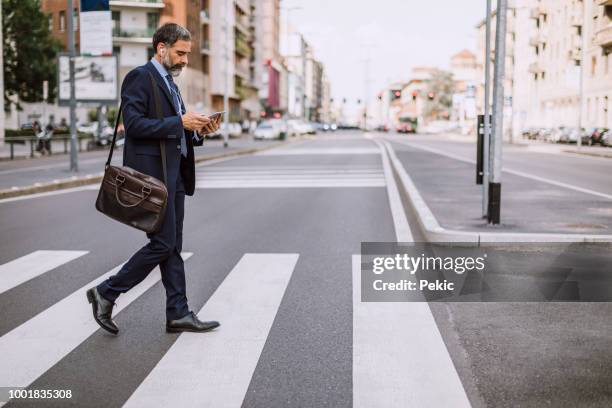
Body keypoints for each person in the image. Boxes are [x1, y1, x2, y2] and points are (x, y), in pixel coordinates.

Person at [86, 23, 222, 335]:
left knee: (172, 245)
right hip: (152, 179)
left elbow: (176, 129)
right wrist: (180, 121)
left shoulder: (171, 85)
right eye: (180, 53)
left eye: (187, 54)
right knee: (163, 244)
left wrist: (198, 130)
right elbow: (133, 125)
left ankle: (178, 313)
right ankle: (107, 291)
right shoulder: (140, 78)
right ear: (161, 48)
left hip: (173, 177)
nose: (185, 60)